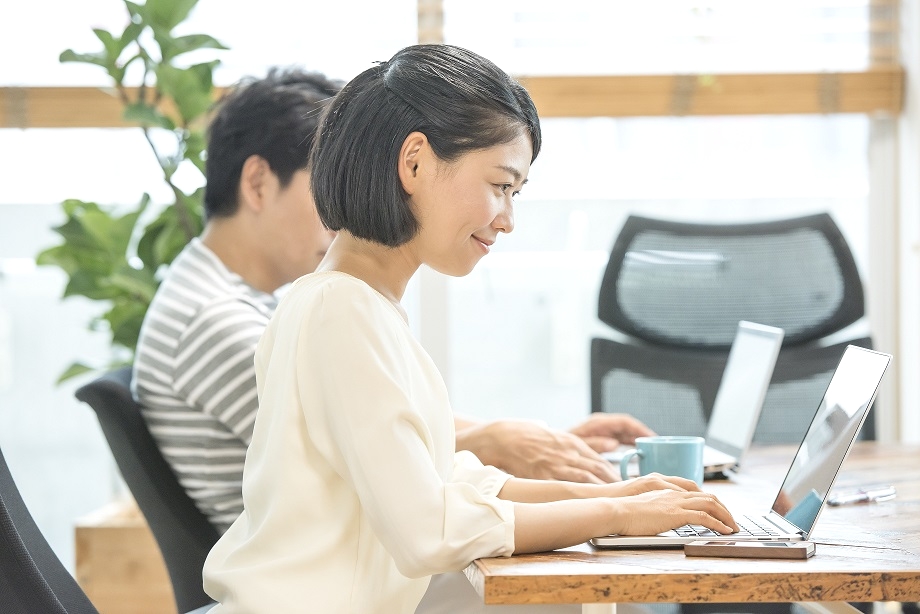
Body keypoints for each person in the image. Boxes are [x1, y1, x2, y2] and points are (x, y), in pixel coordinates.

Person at [200, 44, 738, 613]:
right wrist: (619, 513)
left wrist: (611, 493)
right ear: (415, 163)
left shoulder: (353, 304)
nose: (507, 219)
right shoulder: (341, 311)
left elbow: (455, 482)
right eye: (501, 185)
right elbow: (426, 530)